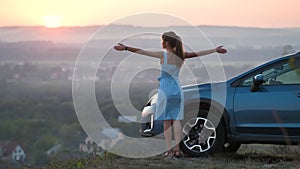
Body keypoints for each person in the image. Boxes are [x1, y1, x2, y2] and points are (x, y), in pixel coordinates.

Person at [114, 31, 227, 158]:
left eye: (163, 40)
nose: (162, 43)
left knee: (166, 121)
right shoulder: (181, 55)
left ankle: (169, 151)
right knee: (177, 120)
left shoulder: (163, 55)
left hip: (165, 90)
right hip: (177, 90)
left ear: (166, 42)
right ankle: (178, 150)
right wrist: (215, 50)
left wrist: (126, 48)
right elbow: (198, 54)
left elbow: (143, 52)